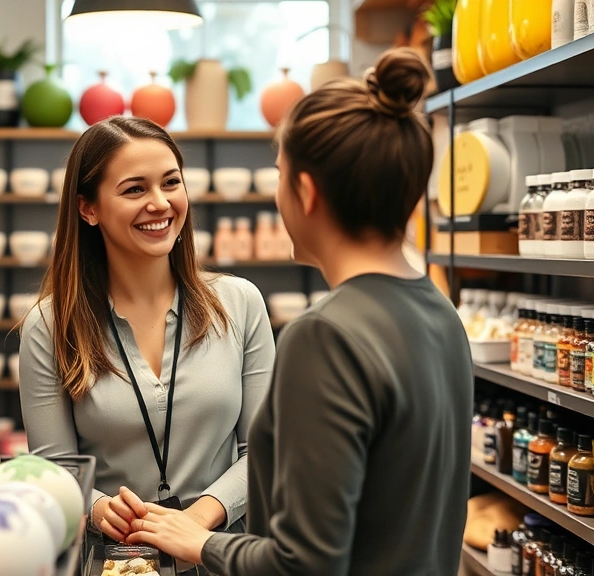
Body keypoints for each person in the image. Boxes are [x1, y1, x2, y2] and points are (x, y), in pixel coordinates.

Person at [122, 48, 474, 575]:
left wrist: (197, 542)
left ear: (305, 192)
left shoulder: (326, 335)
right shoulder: (440, 313)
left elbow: (305, 565)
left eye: (280, 176)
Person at [18, 116, 275, 566]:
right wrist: (99, 507)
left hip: (217, 553)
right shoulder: (51, 323)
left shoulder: (240, 303)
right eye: (135, 189)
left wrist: (196, 520)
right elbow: (54, 467)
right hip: (112, 559)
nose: (160, 203)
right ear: (88, 209)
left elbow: (266, 451)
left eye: (171, 183)